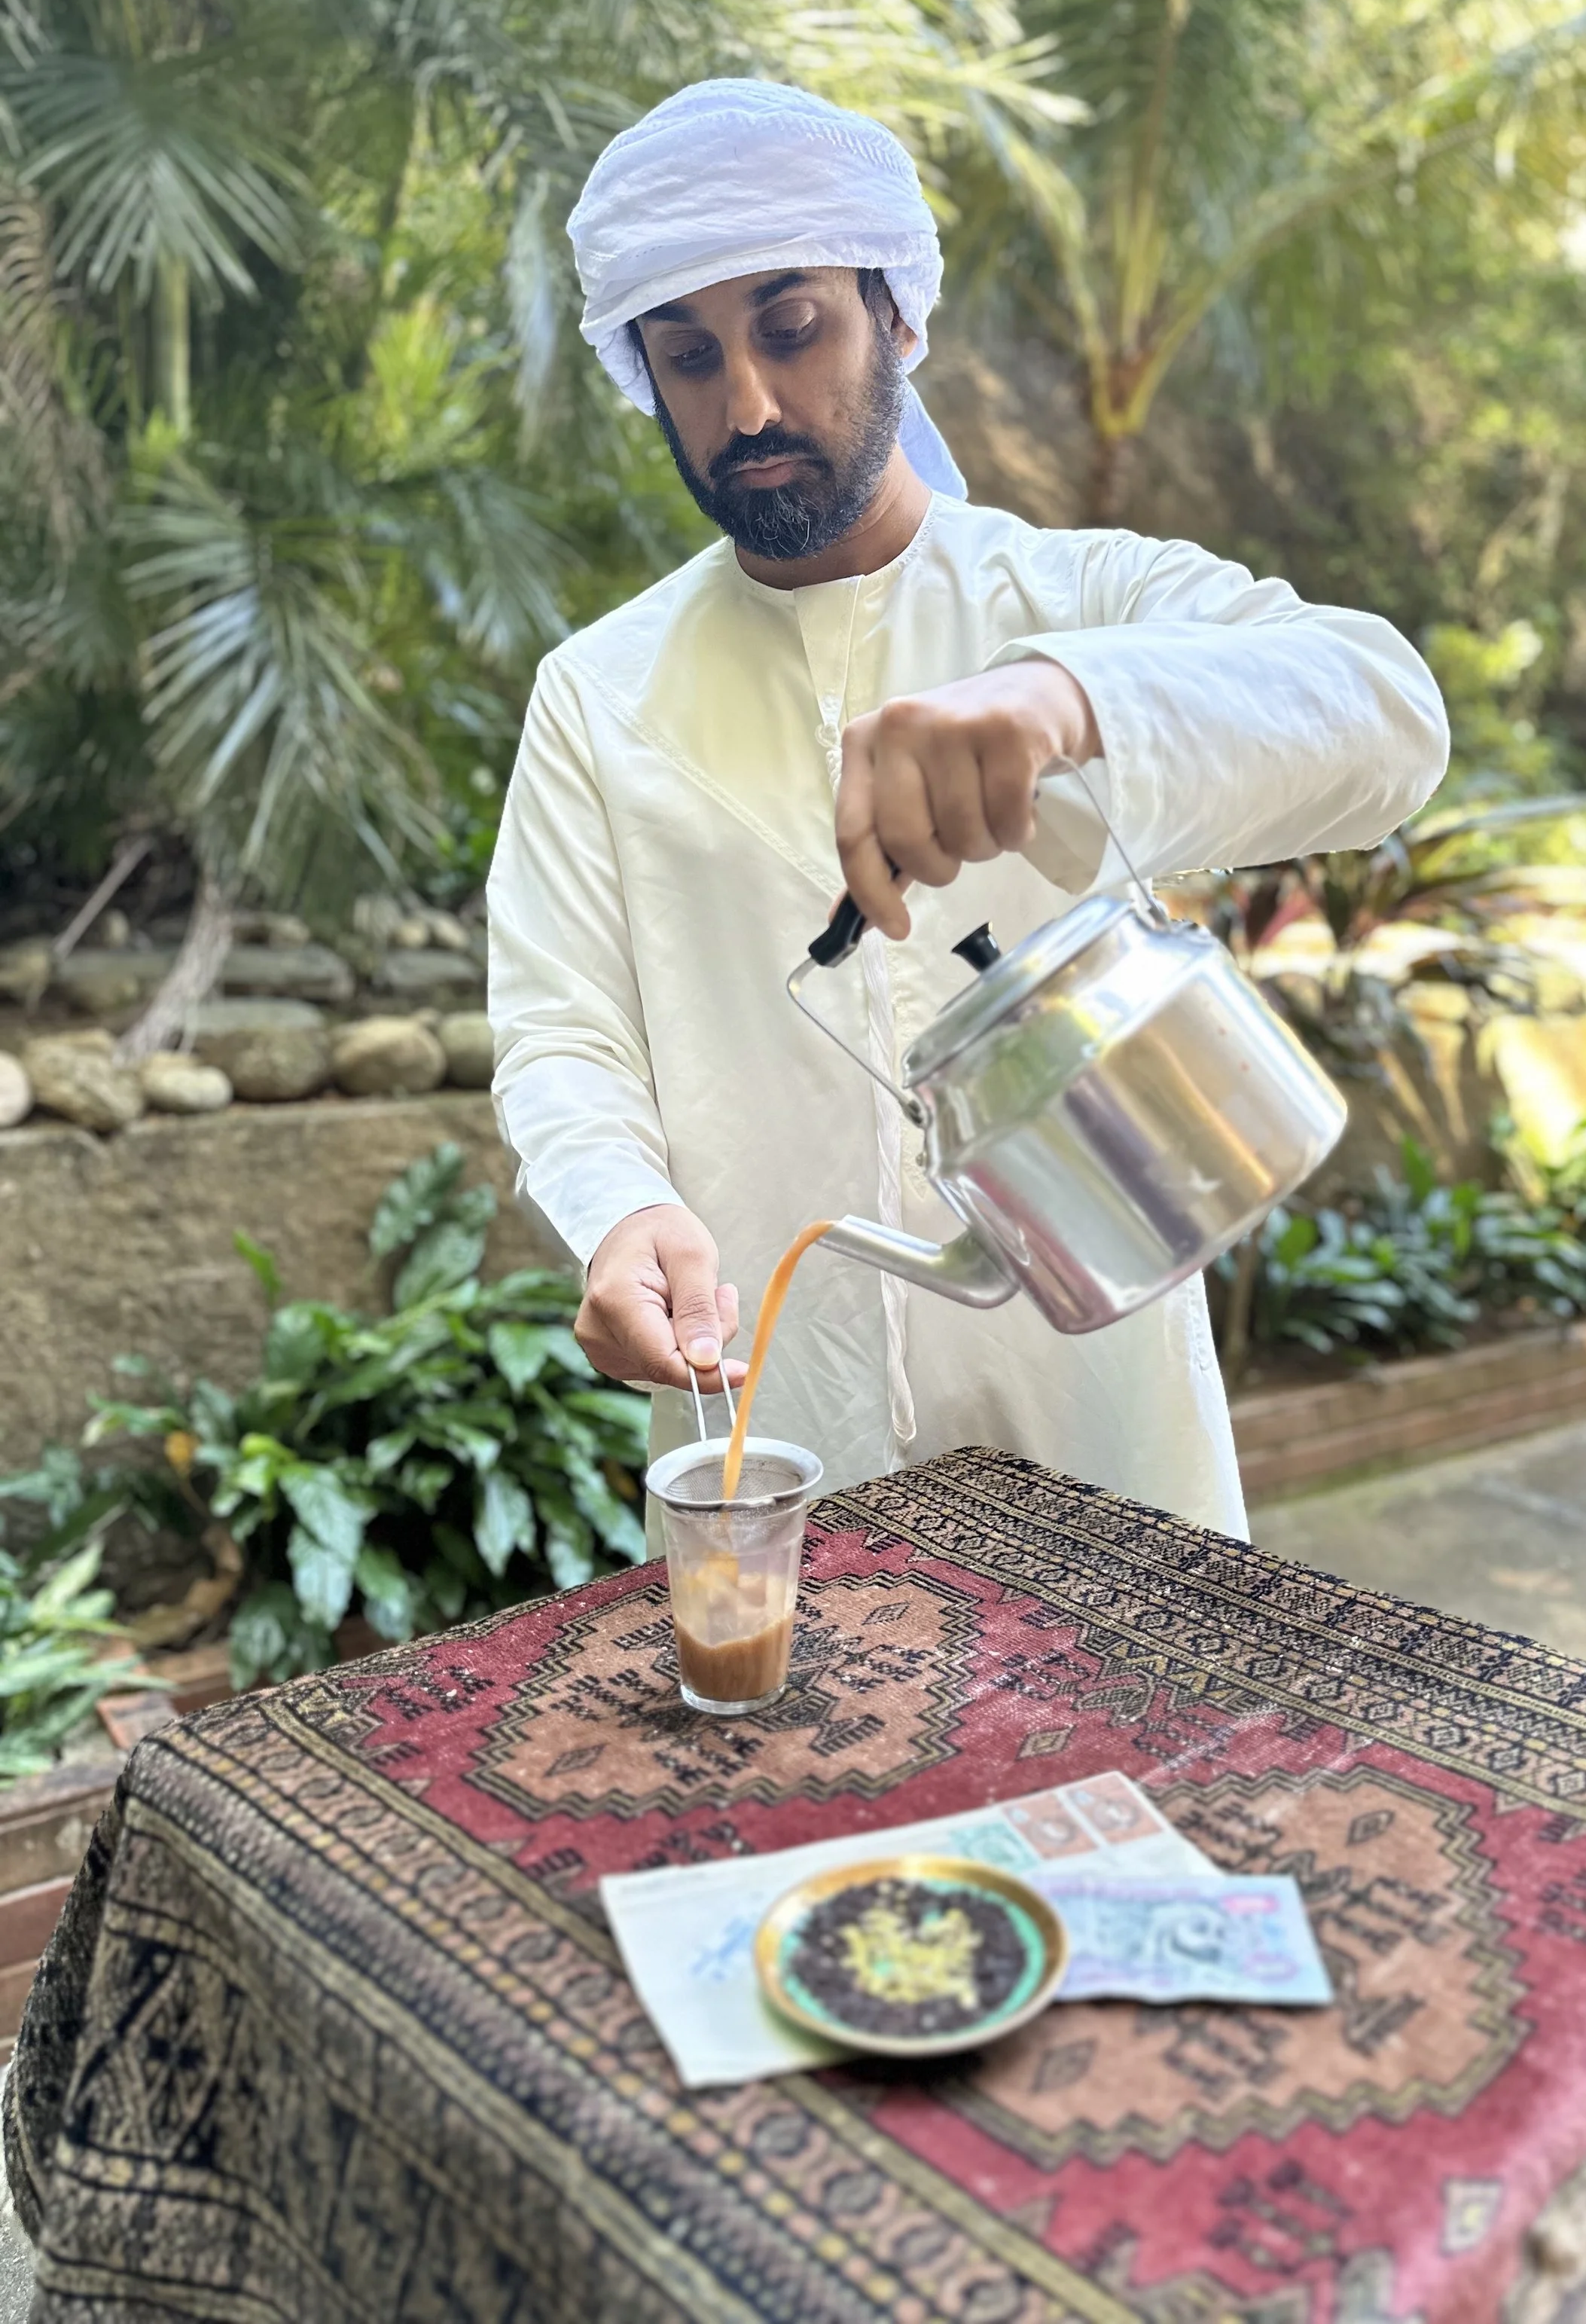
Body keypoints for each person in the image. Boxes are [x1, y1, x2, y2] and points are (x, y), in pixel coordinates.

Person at [486, 78, 1447, 1541]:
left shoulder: (1075, 600)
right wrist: (618, 1210)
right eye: (687, 357)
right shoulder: (596, 694)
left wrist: (1062, 699)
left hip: (1101, 1413)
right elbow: (561, 1033)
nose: (744, 404)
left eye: (790, 326)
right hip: (768, 1423)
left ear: (897, 318)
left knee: (1137, 1761)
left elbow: (1388, 717)